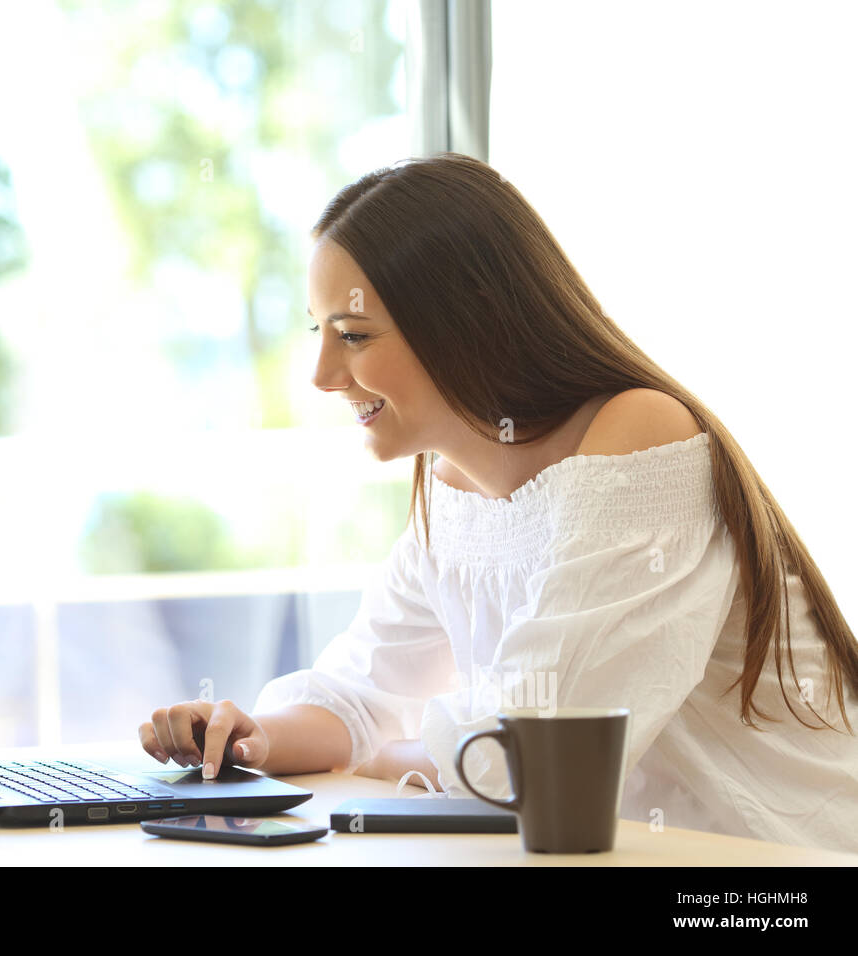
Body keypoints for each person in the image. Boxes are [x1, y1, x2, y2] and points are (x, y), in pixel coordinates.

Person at [136, 153, 858, 852]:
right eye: (318, 333)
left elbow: (537, 747)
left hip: (772, 870)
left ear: (469, 318)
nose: (323, 375)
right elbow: (364, 689)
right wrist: (250, 734)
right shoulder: (452, 486)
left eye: (353, 335)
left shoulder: (642, 434)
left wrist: (399, 757)